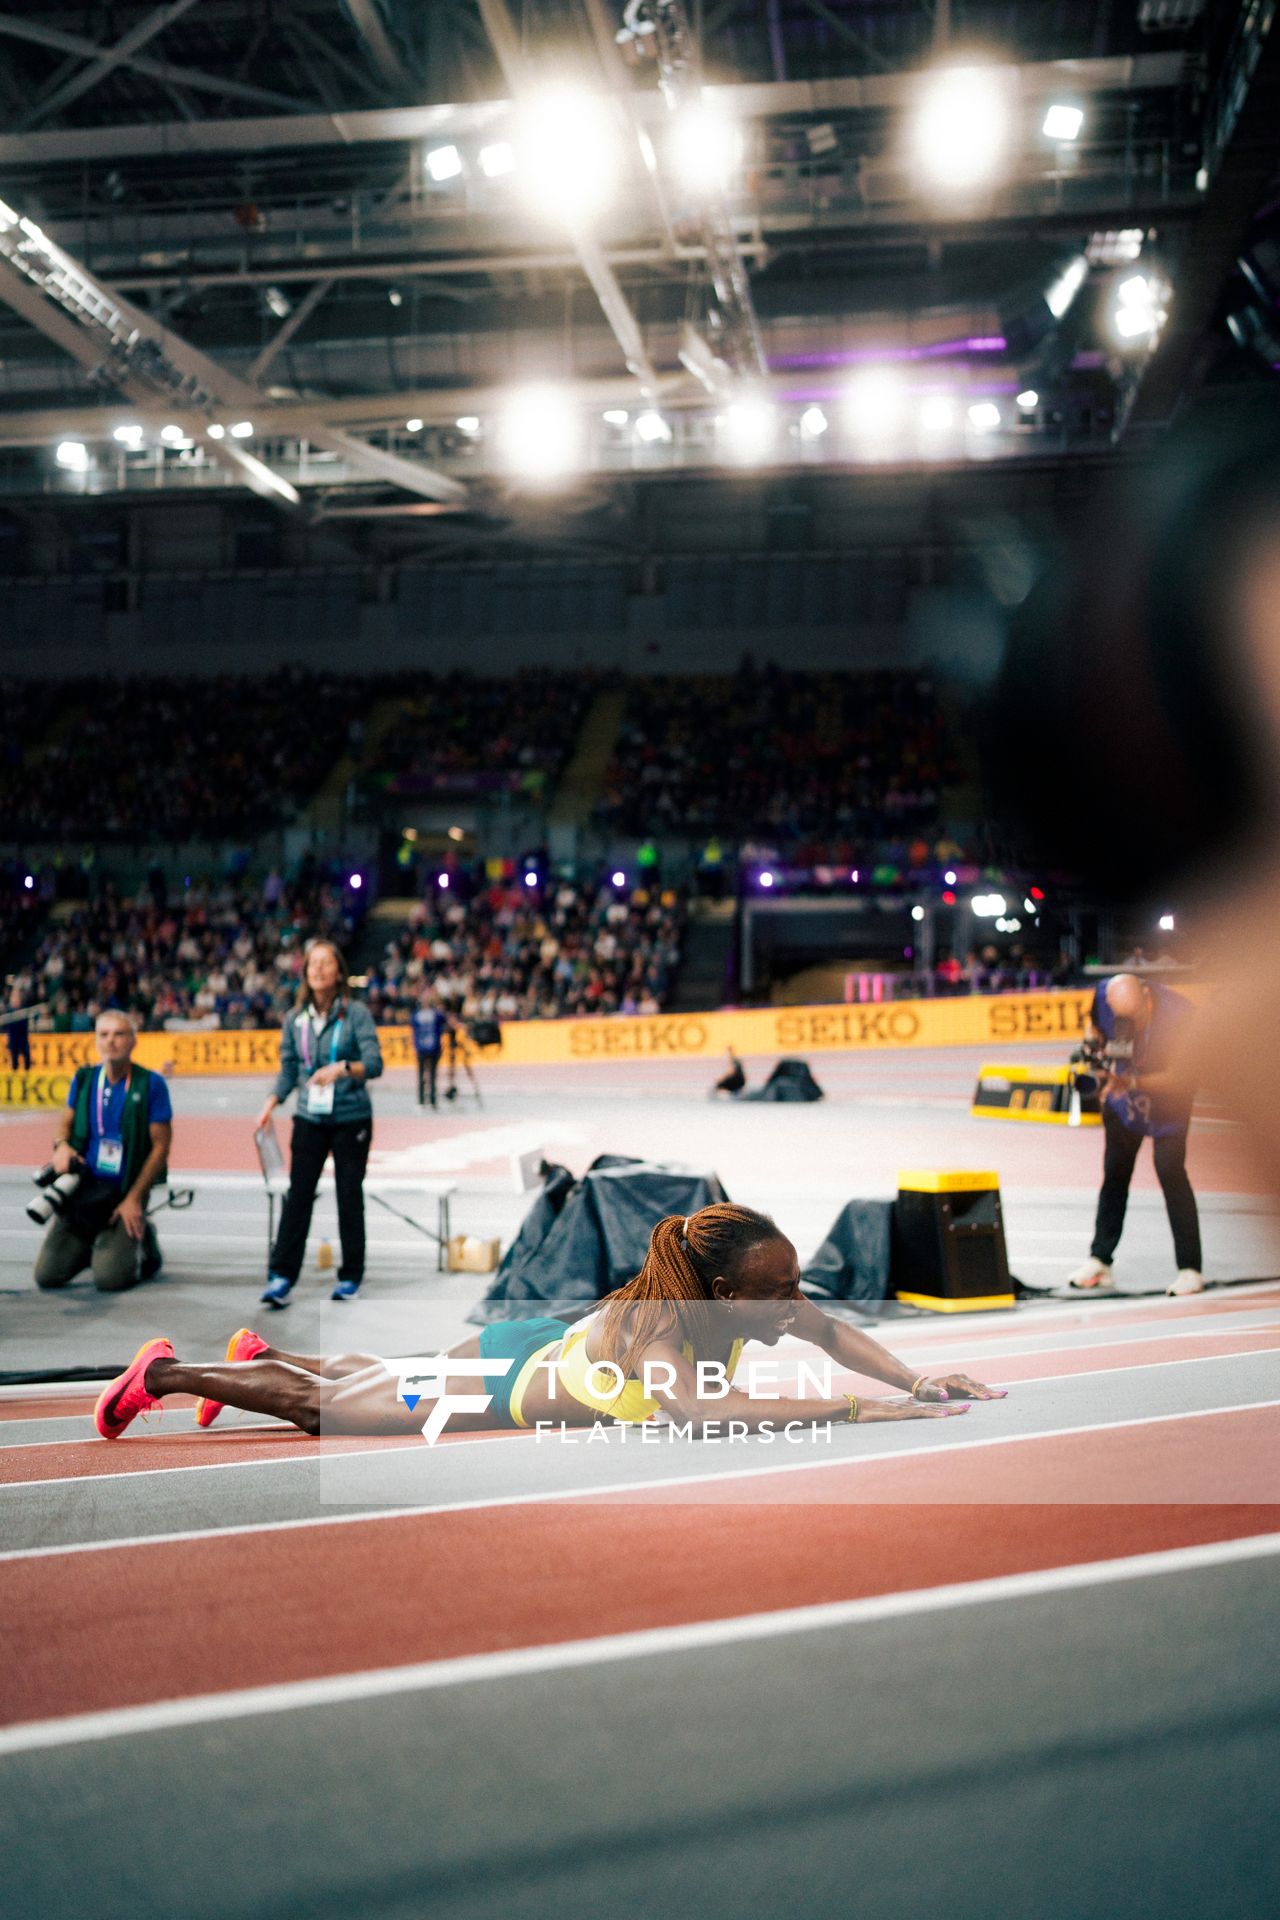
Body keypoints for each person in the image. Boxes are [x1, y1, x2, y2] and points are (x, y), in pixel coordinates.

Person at [93, 1202, 1005, 1440]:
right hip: (502, 1381)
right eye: (785, 1287)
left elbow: (837, 1335)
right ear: (729, 1299)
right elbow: (694, 1415)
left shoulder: (740, 1299)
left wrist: (918, 1382)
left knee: (363, 1379)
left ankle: (261, 1356)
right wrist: (849, 1412)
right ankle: (162, 1374)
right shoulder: (664, 1338)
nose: (800, 1300)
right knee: (323, 1412)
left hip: (545, 1349)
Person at [253, 938, 383, 1307]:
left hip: (351, 1118)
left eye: (326, 962)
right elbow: (289, 1069)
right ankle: (281, 1276)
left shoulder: (355, 1014)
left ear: (339, 971)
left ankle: (351, 1276)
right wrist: (270, 1102)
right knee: (298, 1197)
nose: (319, 969)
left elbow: (373, 1065)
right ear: (306, 973)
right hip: (309, 1116)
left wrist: (341, 1069)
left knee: (348, 1196)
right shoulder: (296, 1019)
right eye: (313, 963)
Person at [1066, 972, 1202, 1296]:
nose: (1126, 1023)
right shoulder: (1104, 996)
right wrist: (1093, 1045)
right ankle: (1100, 1260)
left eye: (1133, 1016)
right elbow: (1094, 1025)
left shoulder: (1181, 1017)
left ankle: (1190, 1268)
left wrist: (1133, 1083)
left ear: (1146, 995)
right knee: (1115, 1172)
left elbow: (1181, 1079)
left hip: (1169, 1097)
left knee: (1170, 1170)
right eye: (1119, 1016)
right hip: (1123, 1095)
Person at [35, 1009, 171, 1293]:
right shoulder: (84, 1079)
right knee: (47, 1275)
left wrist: (135, 1198)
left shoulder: (151, 1084)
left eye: (119, 1034)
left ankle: (144, 1239)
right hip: (83, 1189)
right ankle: (94, 1247)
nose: (111, 1041)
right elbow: (65, 1125)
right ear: (96, 1040)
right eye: (104, 1035)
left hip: (124, 1191)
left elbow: (161, 1146)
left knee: (110, 1280)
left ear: (133, 1041)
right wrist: (61, 1146)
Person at [410, 986, 452, 1109]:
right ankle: (422, 1101)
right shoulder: (417, 1015)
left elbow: (445, 1020)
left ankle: (433, 1101)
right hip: (421, 1048)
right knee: (421, 1075)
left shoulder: (436, 1014)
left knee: (433, 1076)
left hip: (434, 1047)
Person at [6, 984, 31, 1070]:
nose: (15, 999)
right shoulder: (8, 1011)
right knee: (14, 1061)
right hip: (13, 1039)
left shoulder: (23, 1010)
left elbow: (26, 1024)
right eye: (14, 997)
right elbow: (7, 1026)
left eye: (17, 996)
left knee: (27, 1058)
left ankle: (27, 1074)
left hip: (23, 1038)